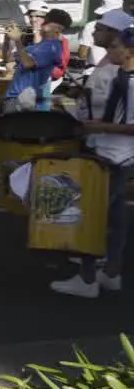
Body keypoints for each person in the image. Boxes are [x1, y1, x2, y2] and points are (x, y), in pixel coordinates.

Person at [51, 27, 134, 298]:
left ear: (130, 51)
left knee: (90, 215)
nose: (110, 51)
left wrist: (92, 127)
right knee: (116, 214)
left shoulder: (131, 82)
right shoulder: (122, 76)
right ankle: (111, 272)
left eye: (115, 47)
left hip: (116, 155)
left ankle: (87, 279)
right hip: (114, 152)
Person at [4, 9, 72, 112]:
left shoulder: (53, 47)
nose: (44, 23)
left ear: (59, 28)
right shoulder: (37, 46)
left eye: (49, 21)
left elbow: (28, 64)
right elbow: (8, 58)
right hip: (15, 96)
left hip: (27, 100)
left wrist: (17, 40)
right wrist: (7, 39)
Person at [81, 0, 125, 69]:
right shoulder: (129, 25)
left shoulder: (91, 25)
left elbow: (82, 54)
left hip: (94, 71)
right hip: (123, 72)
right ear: (121, 9)